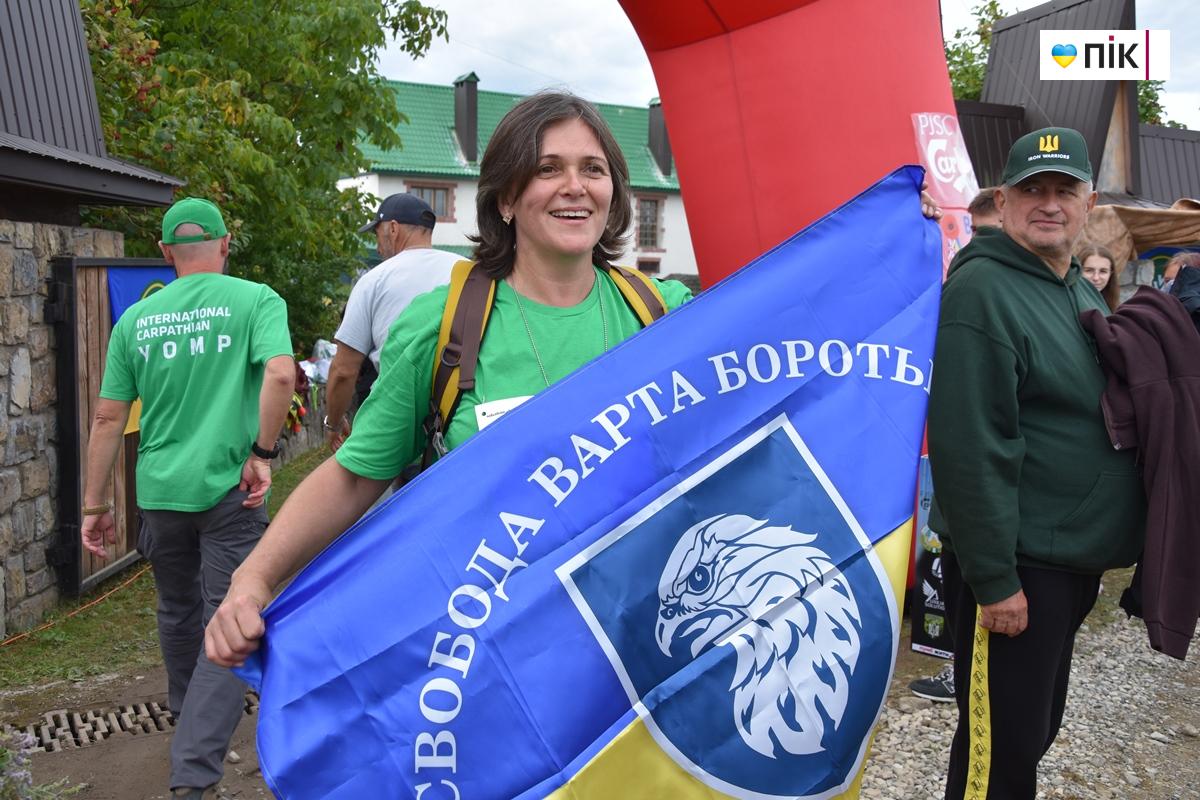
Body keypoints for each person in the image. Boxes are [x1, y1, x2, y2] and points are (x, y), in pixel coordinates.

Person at [204, 93, 944, 668]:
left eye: (593, 169)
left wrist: (892, 243)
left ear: (614, 193)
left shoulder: (665, 314)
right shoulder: (445, 324)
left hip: (635, 642)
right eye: (548, 168)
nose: (575, 186)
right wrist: (254, 580)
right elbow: (357, 476)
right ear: (504, 197)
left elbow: (800, 345)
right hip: (487, 650)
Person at [927, 127, 1146, 800]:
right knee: (999, 750)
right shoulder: (984, 292)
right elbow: (971, 445)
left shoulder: (1074, 286)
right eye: (1032, 190)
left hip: (1067, 559)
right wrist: (994, 579)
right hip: (1019, 565)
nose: (1048, 204)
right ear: (1005, 199)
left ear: (1090, 202)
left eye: (1064, 190)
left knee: (1032, 729)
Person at [80, 198, 295, 799]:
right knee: (229, 620)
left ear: (167, 252)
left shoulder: (136, 322)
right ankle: (193, 775)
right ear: (225, 245)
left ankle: (189, 717)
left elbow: (106, 417)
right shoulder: (256, 300)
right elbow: (281, 375)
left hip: (160, 494)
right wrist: (263, 453)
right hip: (228, 490)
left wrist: (95, 505)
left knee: (177, 611)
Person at [908, 185, 1002, 704]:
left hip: (1002, 499)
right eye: (977, 234)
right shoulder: (963, 281)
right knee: (947, 575)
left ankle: (963, 673)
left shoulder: (1048, 288)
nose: (982, 245)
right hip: (953, 477)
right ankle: (957, 671)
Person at [323, 193, 459, 452]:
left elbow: (344, 370)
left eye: (377, 234)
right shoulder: (468, 271)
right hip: (461, 412)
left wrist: (333, 422)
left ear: (393, 229)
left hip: (397, 421)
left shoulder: (375, 280)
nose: (377, 245)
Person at [1078, 243, 1119, 311]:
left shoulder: (1114, 306)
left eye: (1103, 271)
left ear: (1111, 274)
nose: (1096, 278)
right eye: (1089, 270)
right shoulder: (1068, 303)